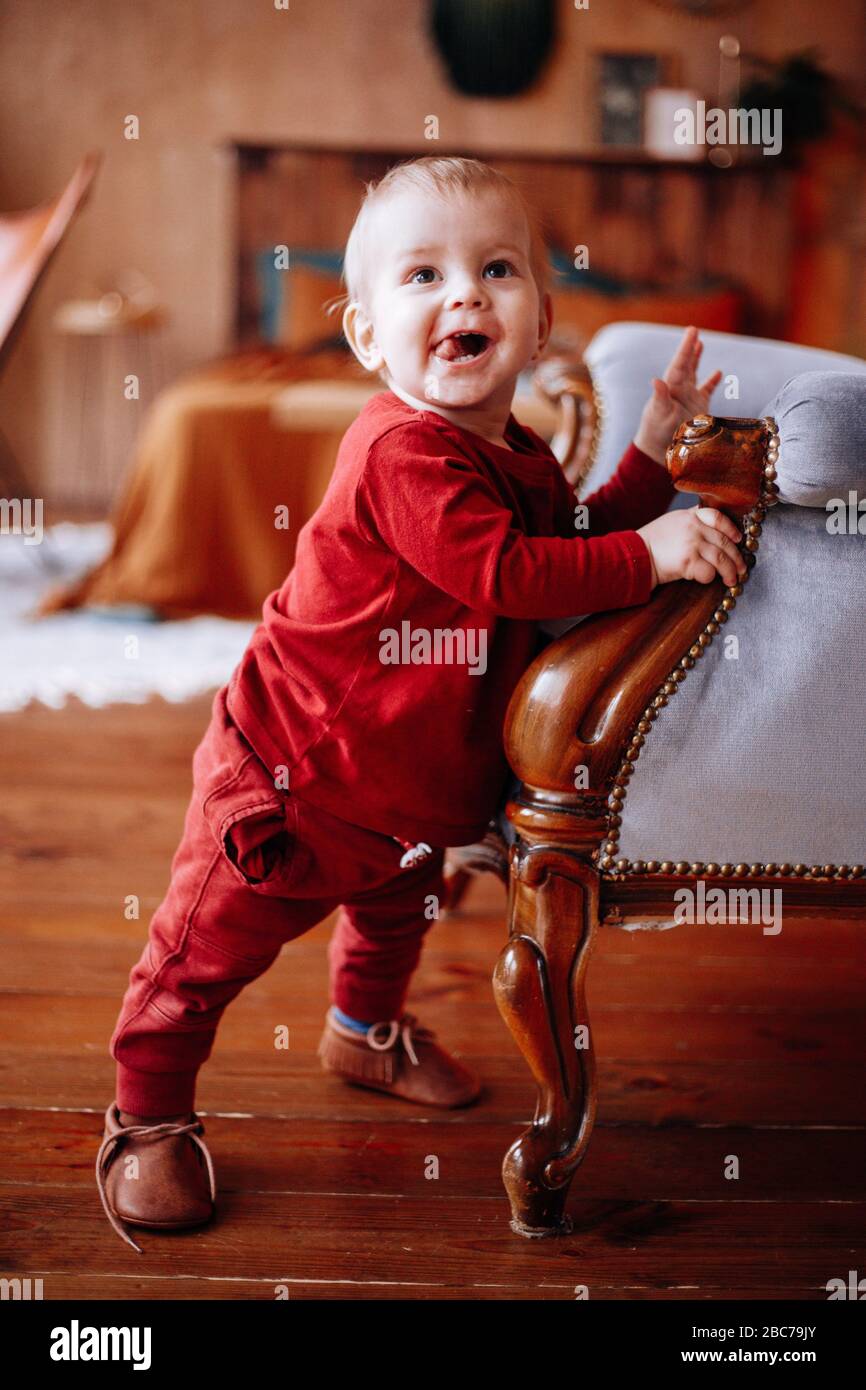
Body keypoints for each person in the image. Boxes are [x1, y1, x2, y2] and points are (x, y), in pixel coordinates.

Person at [96, 156, 746, 1251]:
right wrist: (654, 552)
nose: (463, 295)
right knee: (199, 953)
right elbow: (510, 578)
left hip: (407, 795)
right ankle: (146, 1110)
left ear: (539, 324)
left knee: (393, 919)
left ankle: (361, 1031)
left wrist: (643, 455)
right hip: (293, 776)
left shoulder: (518, 451)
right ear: (364, 337)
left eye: (495, 269)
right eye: (423, 275)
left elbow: (568, 545)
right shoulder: (400, 449)